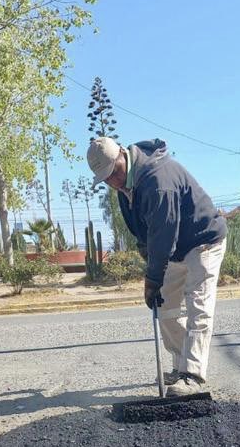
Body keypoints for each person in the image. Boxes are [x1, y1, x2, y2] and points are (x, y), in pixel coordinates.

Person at [87, 137, 227, 394]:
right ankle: (179, 366)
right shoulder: (125, 188)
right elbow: (144, 234)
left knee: (198, 305)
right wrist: (150, 267)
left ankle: (193, 374)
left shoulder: (158, 180)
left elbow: (163, 236)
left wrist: (152, 279)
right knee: (165, 307)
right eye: (106, 179)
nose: (113, 181)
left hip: (203, 241)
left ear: (122, 156)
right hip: (174, 249)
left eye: (114, 173)